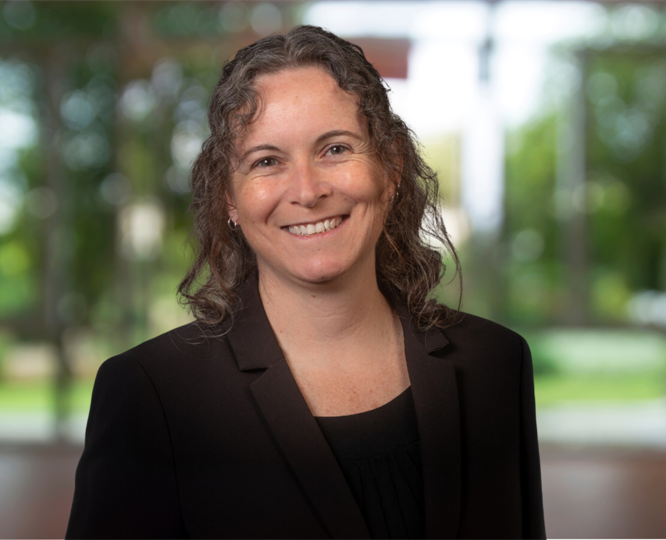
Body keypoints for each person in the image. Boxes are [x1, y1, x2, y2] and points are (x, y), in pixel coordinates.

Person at [67, 25, 545, 540]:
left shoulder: (495, 365)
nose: (308, 190)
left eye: (335, 149)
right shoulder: (151, 395)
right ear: (229, 197)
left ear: (392, 169)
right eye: (267, 161)